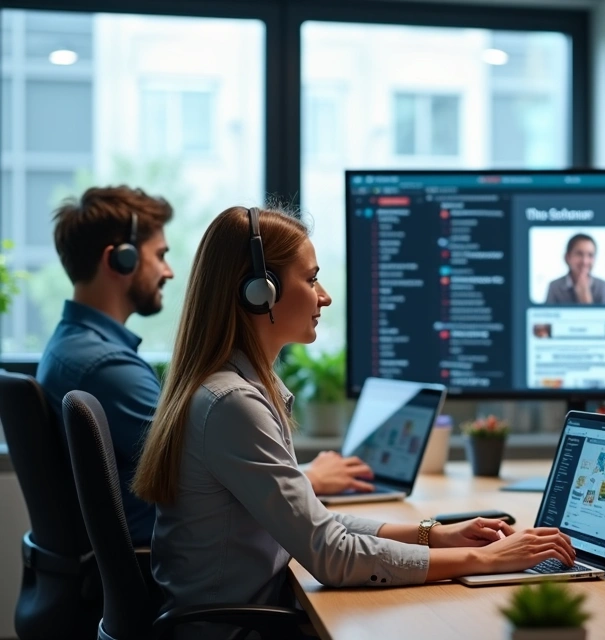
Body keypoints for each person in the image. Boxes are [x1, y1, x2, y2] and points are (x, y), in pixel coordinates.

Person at [132, 206, 575, 639]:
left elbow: (318, 523)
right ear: (259, 292)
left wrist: (436, 535)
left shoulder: (234, 389)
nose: (324, 295)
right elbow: (332, 556)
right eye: (310, 279)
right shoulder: (233, 403)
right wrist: (485, 561)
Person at [37, 187, 377, 545]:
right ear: (121, 260)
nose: (169, 271)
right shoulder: (107, 368)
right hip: (163, 559)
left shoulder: (69, 349)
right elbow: (201, 473)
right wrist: (310, 478)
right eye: (160, 255)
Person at [544, 233, 605, 304]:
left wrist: (586, 301)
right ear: (567, 257)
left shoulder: (604, 287)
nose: (585, 261)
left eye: (590, 255)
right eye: (579, 254)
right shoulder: (555, 287)